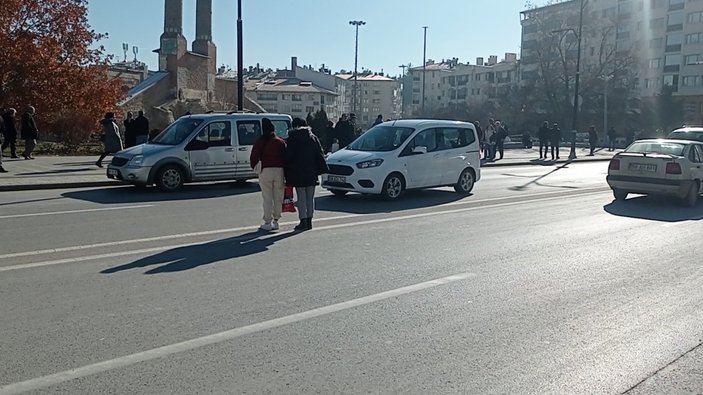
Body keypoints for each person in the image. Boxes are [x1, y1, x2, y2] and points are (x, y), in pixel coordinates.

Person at [285, 118, 328, 231]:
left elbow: (288, 156)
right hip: (311, 172)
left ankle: (303, 221)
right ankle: (309, 221)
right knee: (310, 197)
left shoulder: (293, 138)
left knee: (301, 198)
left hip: (298, 172)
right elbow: (320, 154)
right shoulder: (312, 137)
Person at [250, 118, 286, 231]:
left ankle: (267, 222)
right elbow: (286, 156)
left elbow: (253, 157)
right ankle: (276, 221)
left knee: (267, 198)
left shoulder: (260, 141)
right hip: (279, 171)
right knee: (278, 197)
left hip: (265, 171)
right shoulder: (280, 141)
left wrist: (256, 167)